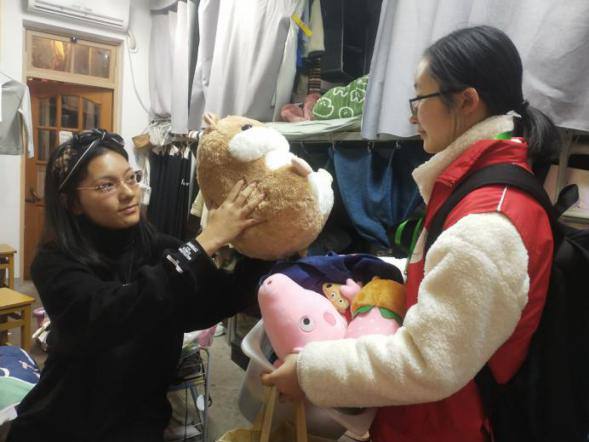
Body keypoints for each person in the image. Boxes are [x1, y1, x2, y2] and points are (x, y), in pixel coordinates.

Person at [262, 25, 560, 441]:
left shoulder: (487, 223)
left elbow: (428, 362)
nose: (411, 115)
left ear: (467, 101)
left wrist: (310, 373)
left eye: (420, 99)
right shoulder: (478, 186)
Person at [7, 129, 272, 442]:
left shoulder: (160, 248)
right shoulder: (54, 262)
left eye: (131, 178)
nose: (128, 193)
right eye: (107, 185)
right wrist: (204, 244)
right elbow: (111, 313)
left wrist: (266, 250)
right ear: (72, 202)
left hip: (141, 423)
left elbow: (215, 303)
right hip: (65, 423)